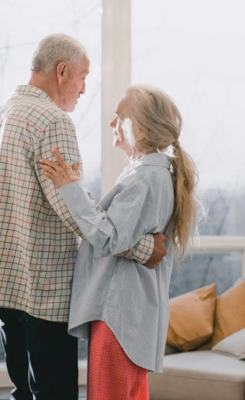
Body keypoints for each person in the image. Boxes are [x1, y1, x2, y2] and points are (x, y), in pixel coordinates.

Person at [0, 34, 167, 400]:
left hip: (9, 287)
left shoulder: (8, 112)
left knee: (22, 392)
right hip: (46, 291)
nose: (84, 89)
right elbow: (73, 208)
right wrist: (144, 249)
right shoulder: (52, 121)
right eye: (82, 77)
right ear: (62, 72)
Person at [40, 84, 198, 400]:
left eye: (119, 117)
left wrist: (71, 188)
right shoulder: (150, 174)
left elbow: (110, 237)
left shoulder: (145, 178)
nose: (113, 124)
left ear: (140, 128)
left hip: (119, 316)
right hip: (129, 317)